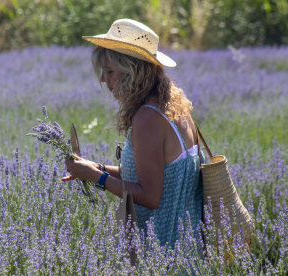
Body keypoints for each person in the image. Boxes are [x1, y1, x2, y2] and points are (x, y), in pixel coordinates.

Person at [62, 19, 204, 248]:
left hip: (162, 251)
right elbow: (153, 175)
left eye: (109, 71)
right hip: (188, 247)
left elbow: (150, 195)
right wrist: (94, 167)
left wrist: (97, 178)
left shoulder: (147, 119)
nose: (103, 80)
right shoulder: (175, 108)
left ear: (132, 71)